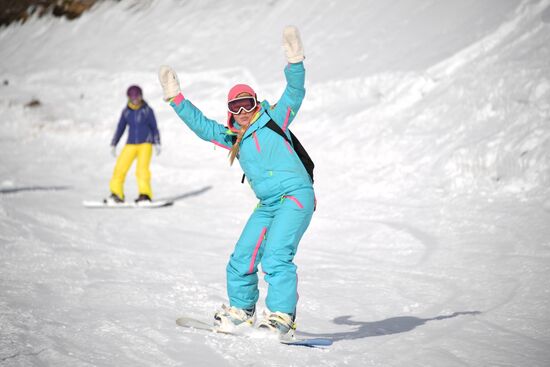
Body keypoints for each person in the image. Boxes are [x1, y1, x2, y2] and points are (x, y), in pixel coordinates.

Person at [158, 26, 313, 338]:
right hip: (268, 204)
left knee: (275, 256)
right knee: (242, 257)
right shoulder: (233, 138)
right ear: (230, 112)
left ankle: (281, 316)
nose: (242, 111)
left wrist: (294, 62)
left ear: (256, 103)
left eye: (247, 103)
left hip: (296, 196)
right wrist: (176, 98)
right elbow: (202, 127)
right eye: (235, 106)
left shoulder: (275, 119)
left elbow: (294, 93)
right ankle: (241, 312)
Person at [107, 85, 161, 204]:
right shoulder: (126, 112)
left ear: (141, 97)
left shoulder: (147, 110)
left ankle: (145, 195)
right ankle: (116, 194)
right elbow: (120, 128)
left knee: (142, 170)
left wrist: (157, 142)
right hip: (130, 143)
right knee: (120, 168)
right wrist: (114, 143)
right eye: (133, 98)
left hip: (145, 144)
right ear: (129, 98)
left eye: (137, 98)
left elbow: (154, 127)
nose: (135, 101)